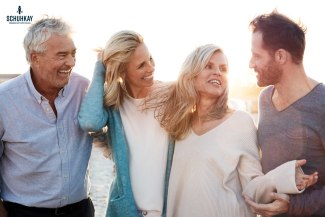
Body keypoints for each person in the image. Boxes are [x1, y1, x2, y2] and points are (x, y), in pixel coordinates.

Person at [146, 44, 316, 217]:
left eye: (223, 68)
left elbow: (252, 187)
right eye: (208, 66)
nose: (218, 72)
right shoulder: (179, 125)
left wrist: (282, 178)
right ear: (192, 74)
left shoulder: (240, 122)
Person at [0, 17, 94, 217]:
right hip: (23, 213)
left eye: (73, 54)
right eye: (62, 55)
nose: (70, 62)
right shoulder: (4, 100)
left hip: (80, 211)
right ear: (35, 57)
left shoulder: (85, 89)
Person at [78, 30, 174, 217]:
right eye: (141, 66)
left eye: (150, 59)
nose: (151, 68)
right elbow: (90, 122)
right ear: (122, 71)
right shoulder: (114, 103)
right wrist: (99, 70)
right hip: (125, 209)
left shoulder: (170, 96)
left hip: (168, 209)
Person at [244, 10, 325, 216]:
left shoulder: (322, 105)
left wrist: (293, 206)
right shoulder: (265, 99)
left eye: (256, 56)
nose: (250, 64)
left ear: (280, 56)